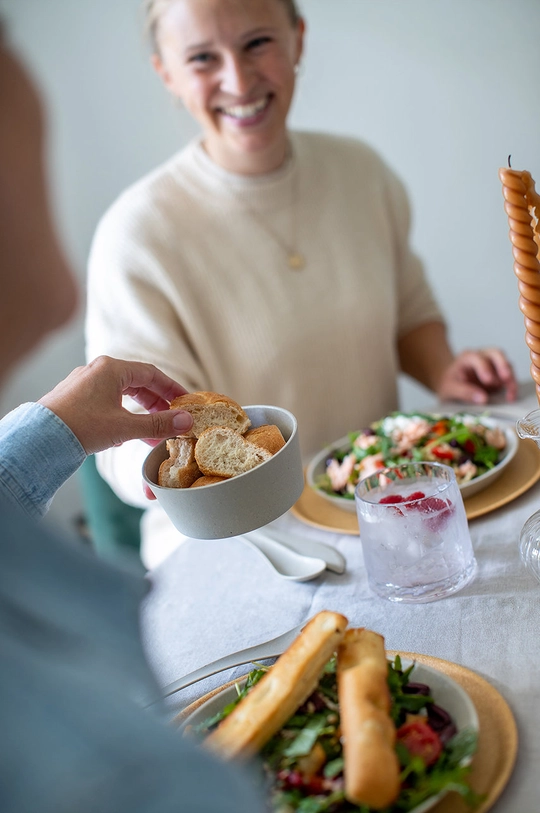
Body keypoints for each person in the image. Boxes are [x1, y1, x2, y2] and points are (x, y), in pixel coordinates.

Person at [85, 0, 517, 569]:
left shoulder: (360, 172)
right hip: (242, 544)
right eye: (201, 58)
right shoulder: (135, 233)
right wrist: (148, 456)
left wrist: (444, 370)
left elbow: (409, 312)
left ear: (298, 40)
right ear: (166, 71)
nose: (238, 80)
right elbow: (125, 429)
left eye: (258, 43)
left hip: (377, 507)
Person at [0, 31, 266, 813]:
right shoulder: (103, 772)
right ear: (166, 75)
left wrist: (56, 429)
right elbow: (147, 453)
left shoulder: (361, 175)